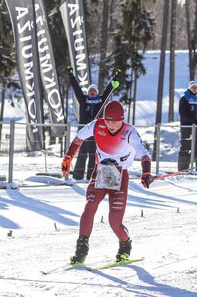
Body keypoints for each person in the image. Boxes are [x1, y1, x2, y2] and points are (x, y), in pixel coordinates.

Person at [61, 101, 152, 264]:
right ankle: (81, 250)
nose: (110, 124)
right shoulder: (97, 125)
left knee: (114, 222)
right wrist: (68, 158)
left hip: (120, 174)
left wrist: (146, 171)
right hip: (102, 171)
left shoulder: (129, 132)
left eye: (114, 121)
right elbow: (78, 139)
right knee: (90, 205)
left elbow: (143, 154)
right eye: (107, 120)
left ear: (122, 119)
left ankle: (125, 245)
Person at [67, 66, 112, 181]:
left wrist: (115, 79)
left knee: (93, 154)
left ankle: (91, 176)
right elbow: (76, 88)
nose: (92, 93)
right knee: (82, 153)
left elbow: (108, 90)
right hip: (84, 129)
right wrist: (71, 75)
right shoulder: (83, 100)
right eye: (90, 91)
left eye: (94, 91)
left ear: (97, 93)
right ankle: (78, 175)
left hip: (97, 131)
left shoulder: (101, 101)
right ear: (88, 93)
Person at [178, 81, 197, 170]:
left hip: (195, 128)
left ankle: (195, 168)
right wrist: (193, 121)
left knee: (196, 146)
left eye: (196, 87)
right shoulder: (184, 99)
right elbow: (183, 114)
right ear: (189, 88)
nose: (194, 89)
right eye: (193, 87)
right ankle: (182, 168)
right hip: (187, 127)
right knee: (185, 146)